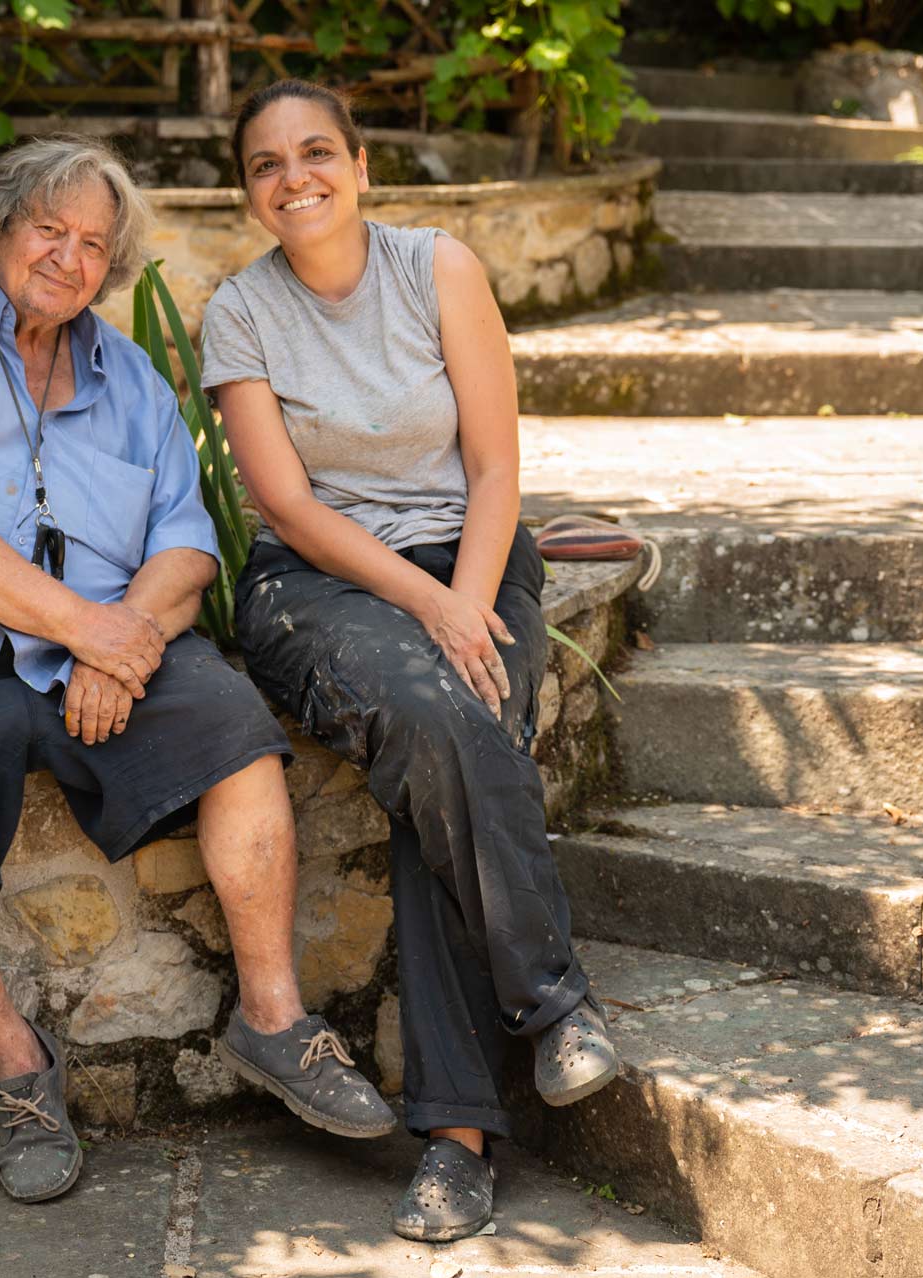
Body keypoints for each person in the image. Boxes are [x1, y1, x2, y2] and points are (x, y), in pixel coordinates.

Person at [0, 135, 391, 1206]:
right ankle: (20, 1068)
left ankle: (273, 1020)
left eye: (94, 245)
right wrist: (89, 629)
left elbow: (188, 546)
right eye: (48, 230)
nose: (68, 258)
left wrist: (129, 639)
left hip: (110, 647)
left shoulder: (132, 378)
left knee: (236, 738)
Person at [199, 81, 619, 1243]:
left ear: (361, 165)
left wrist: (468, 605)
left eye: (317, 152)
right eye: (268, 165)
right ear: (250, 191)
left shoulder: (439, 269)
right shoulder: (239, 312)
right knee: (443, 722)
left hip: (471, 557)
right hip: (318, 584)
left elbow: (494, 467)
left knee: (445, 742)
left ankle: (457, 1141)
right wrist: (427, 605)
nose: (297, 178)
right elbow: (283, 501)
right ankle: (553, 1004)